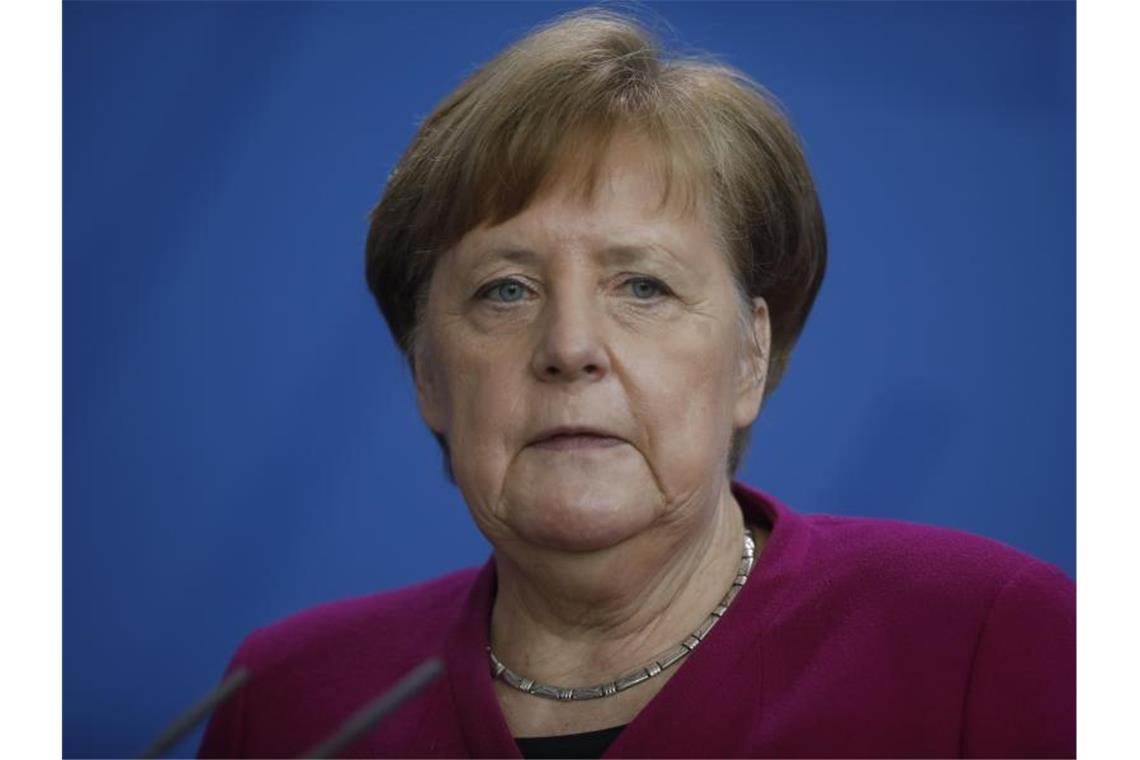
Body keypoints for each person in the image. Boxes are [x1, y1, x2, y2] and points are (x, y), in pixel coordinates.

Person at [199, 9, 1074, 759]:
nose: (571, 347)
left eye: (643, 286)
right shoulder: (287, 702)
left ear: (749, 358)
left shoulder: (985, 639)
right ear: (427, 372)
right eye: (506, 289)